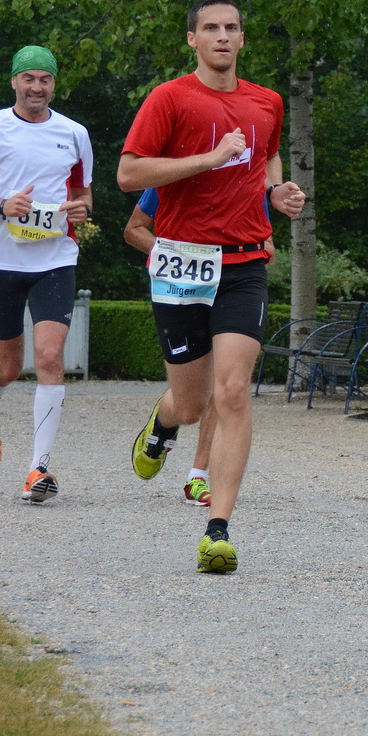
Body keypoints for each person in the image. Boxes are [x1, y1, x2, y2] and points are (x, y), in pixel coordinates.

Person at [117, 0, 305, 573]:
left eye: (232, 28)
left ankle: (217, 529)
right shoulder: (169, 99)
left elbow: (266, 159)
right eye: (211, 29)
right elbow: (129, 173)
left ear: (242, 39)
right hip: (181, 262)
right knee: (195, 404)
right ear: (192, 39)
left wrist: (278, 193)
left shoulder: (266, 102)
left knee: (233, 392)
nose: (222, 36)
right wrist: (205, 158)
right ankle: (164, 422)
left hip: (244, 263)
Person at [0, 46, 94, 503]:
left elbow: (85, 195)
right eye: (28, 78)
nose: (36, 87)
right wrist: (1, 206)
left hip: (55, 260)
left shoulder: (75, 133)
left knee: (48, 358)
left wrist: (82, 211)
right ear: (13, 82)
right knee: (8, 366)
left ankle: (38, 470)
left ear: (53, 84)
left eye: (44, 79)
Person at [124, 187, 275, 507]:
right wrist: (176, 255)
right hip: (181, 286)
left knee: (228, 384)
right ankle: (164, 423)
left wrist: (256, 254)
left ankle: (198, 476)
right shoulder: (176, 174)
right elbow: (134, 229)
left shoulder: (248, 179)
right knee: (190, 403)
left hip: (235, 287)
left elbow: (267, 240)